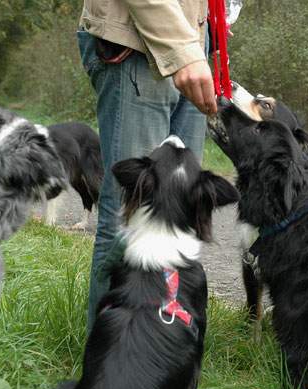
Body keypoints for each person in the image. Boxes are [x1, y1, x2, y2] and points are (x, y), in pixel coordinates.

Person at [77, 0, 217, 329]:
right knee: (125, 220)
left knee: (181, 214)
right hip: (137, 43)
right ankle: (109, 365)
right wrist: (185, 50)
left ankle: (163, 353)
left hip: (194, 40)